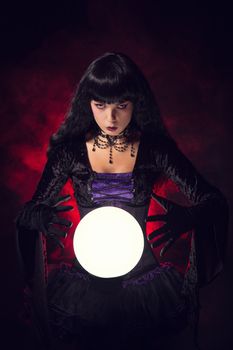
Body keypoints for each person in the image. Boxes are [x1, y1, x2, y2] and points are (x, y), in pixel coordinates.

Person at [15, 52, 228, 350]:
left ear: (136, 104)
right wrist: (38, 216)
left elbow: (214, 201)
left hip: (146, 286)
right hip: (82, 289)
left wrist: (192, 216)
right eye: (100, 106)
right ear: (87, 104)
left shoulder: (156, 151)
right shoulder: (69, 153)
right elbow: (27, 212)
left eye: (121, 106)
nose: (111, 118)